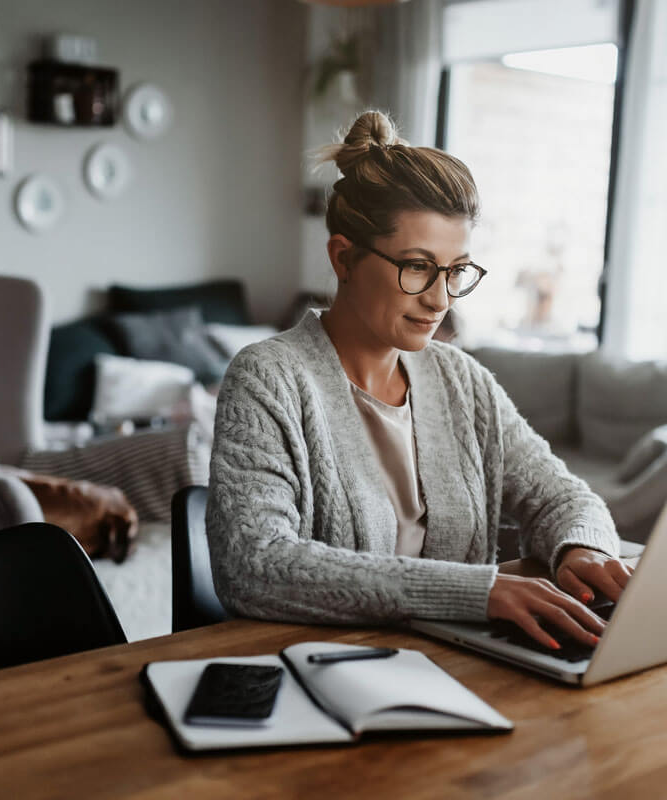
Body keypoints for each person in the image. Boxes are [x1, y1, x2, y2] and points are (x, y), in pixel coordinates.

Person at [205, 110, 632, 650]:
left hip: (461, 663)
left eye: (456, 271)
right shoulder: (269, 379)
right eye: (417, 267)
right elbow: (255, 563)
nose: (440, 298)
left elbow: (562, 497)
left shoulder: (462, 380)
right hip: (323, 671)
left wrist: (583, 549)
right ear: (344, 257)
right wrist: (478, 592)